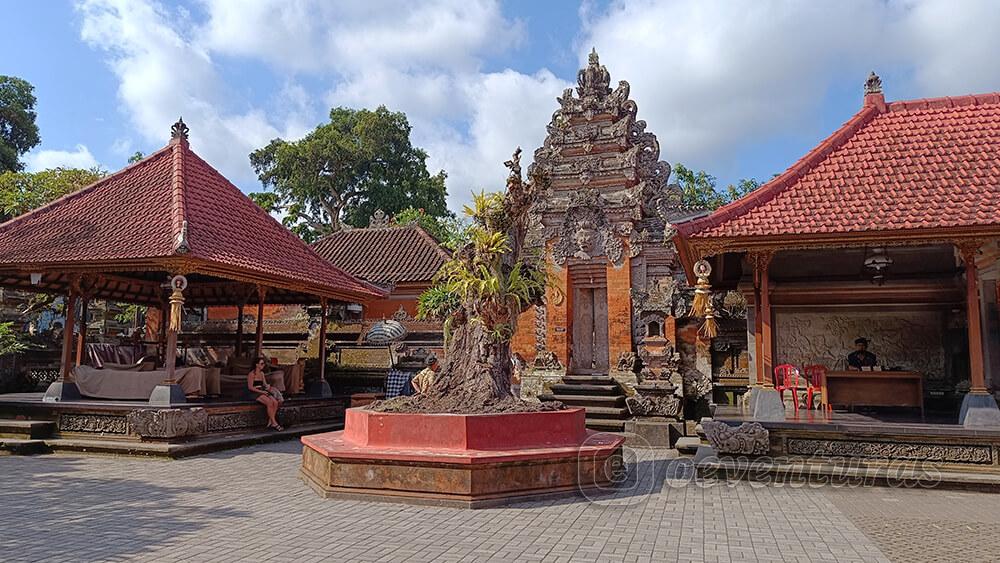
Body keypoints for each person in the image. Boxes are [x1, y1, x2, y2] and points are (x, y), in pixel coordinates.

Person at [248, 356, 284, 431]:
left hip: (262, 390)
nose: (263, 365)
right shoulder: (251, 374)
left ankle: (271, 420)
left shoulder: (262, 373)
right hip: (255, 392)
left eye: (263, 364)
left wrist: (269, 387)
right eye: (261, 364)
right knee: (270, 403)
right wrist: (262, 392)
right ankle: (274, 423)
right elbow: (250, 387)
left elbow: (264, 384)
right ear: (256, 364)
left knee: (275, 402)